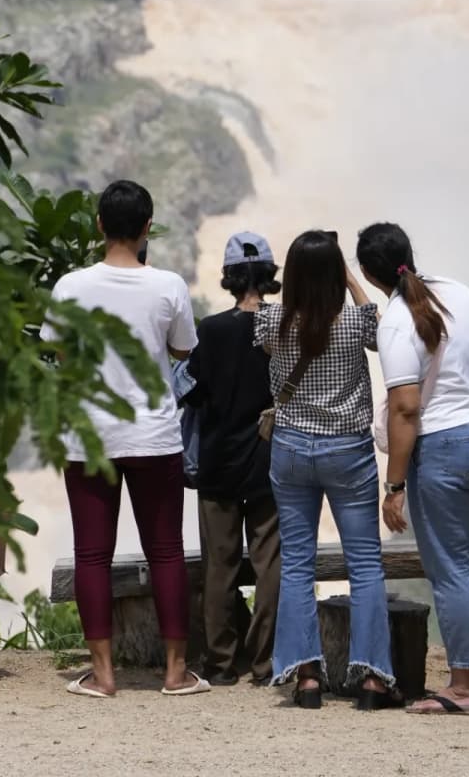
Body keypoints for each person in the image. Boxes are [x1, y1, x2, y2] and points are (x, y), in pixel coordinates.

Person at [45, 179, 205, 698]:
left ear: (98, 225)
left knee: (92, 554)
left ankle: (104, 674)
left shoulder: (70, 286)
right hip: (154, 434)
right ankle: (176, 673)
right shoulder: (169, 286)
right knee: (165, 552)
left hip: (90, 434)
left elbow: (62, 352)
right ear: (147, 227)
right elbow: (184, 350)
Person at [364, 222, 469, 717]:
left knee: (451, 569)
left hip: (449, 448)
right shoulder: (457, 290)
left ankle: (466, 685)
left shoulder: (394, 322)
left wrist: (395, 484)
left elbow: (406, 409)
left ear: (369, 274)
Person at [255, 229, 397, 710]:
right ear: (335, 273)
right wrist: (352, 281)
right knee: (365, 565)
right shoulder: (356, 324)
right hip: (347, 452)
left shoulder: (272, 321)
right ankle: (374, 680)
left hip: (292, 449)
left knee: (296, 564)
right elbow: (380, 332)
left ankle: (307, 678)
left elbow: (269, 334)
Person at [185, 230, 282, 687]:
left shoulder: (212, 330)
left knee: (218, 568)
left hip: (218, 463)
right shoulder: (283, 327)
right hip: (269, 461)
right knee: (270, 566)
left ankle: (220, 664)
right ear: (268, 274)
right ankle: (265, 664)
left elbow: (194, 389)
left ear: (228, 278)